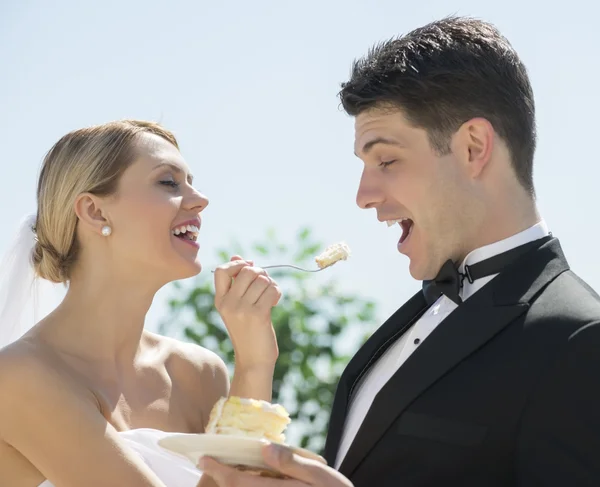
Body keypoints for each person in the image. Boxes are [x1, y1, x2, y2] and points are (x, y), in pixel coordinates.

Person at [202, 15, 600, 487]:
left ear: (474, 147)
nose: (363, 195)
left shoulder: (581, 341)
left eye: (387, 160)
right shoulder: (411, 322)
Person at [0, 120, 283, 487]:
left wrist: (256, 366)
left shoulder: (197, 374)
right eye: (169, 182)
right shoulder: (18, 378)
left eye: (191, 182)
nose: (200, 199)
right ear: (95, 212)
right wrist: (253, 367)